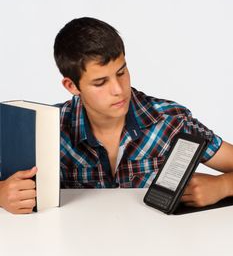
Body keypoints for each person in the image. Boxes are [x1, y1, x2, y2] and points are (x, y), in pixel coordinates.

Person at [0, 17, 233, 214]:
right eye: (100, 82)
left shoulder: (170, 121)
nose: (119, 89)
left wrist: (223, 185)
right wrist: (1, 193)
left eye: (121, 72)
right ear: (71, 86)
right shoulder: (46, 128)